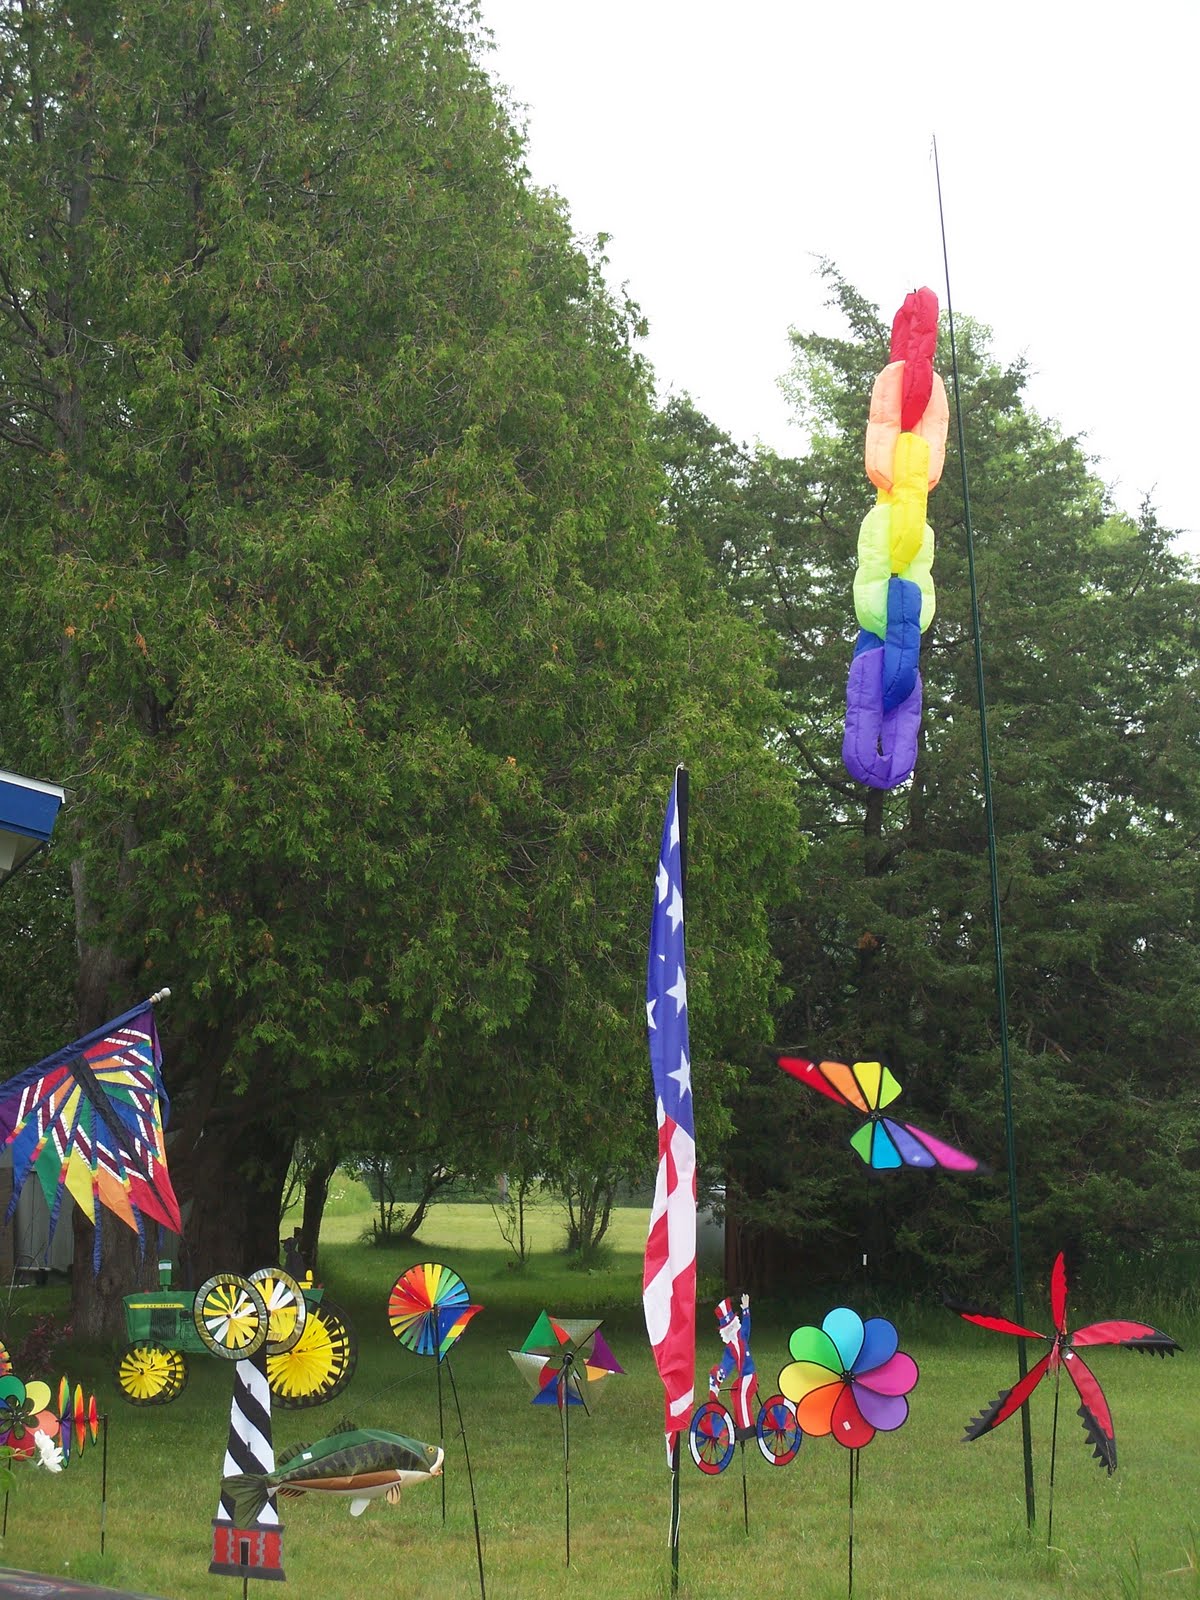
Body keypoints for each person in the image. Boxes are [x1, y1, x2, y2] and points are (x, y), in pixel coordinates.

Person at [708, 1291, 758, 1439]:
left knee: (742, 1395)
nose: (731, 1329)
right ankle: (741, 1425)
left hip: (749, 1375)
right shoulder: (730, 1348)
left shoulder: (741, 1335)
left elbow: (747, 1326)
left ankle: (748, 1428)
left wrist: (746, 1310)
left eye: (731, 1325)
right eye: (728, 1327)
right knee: (735, 1393)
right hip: (744, 1376)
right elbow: (727, 1364)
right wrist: (720, 1374)